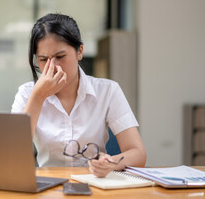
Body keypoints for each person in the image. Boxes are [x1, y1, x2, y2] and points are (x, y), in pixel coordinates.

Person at [11, 13, 146, 177]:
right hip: (48, 188)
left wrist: (111, 162)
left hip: (96, 185)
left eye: (60, 57)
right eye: (43, 59)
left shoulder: (108, 90)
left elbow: (138, 154)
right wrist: (38, 97)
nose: (52, 67)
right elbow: (12, 154)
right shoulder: (27, 93)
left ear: (79, 51)